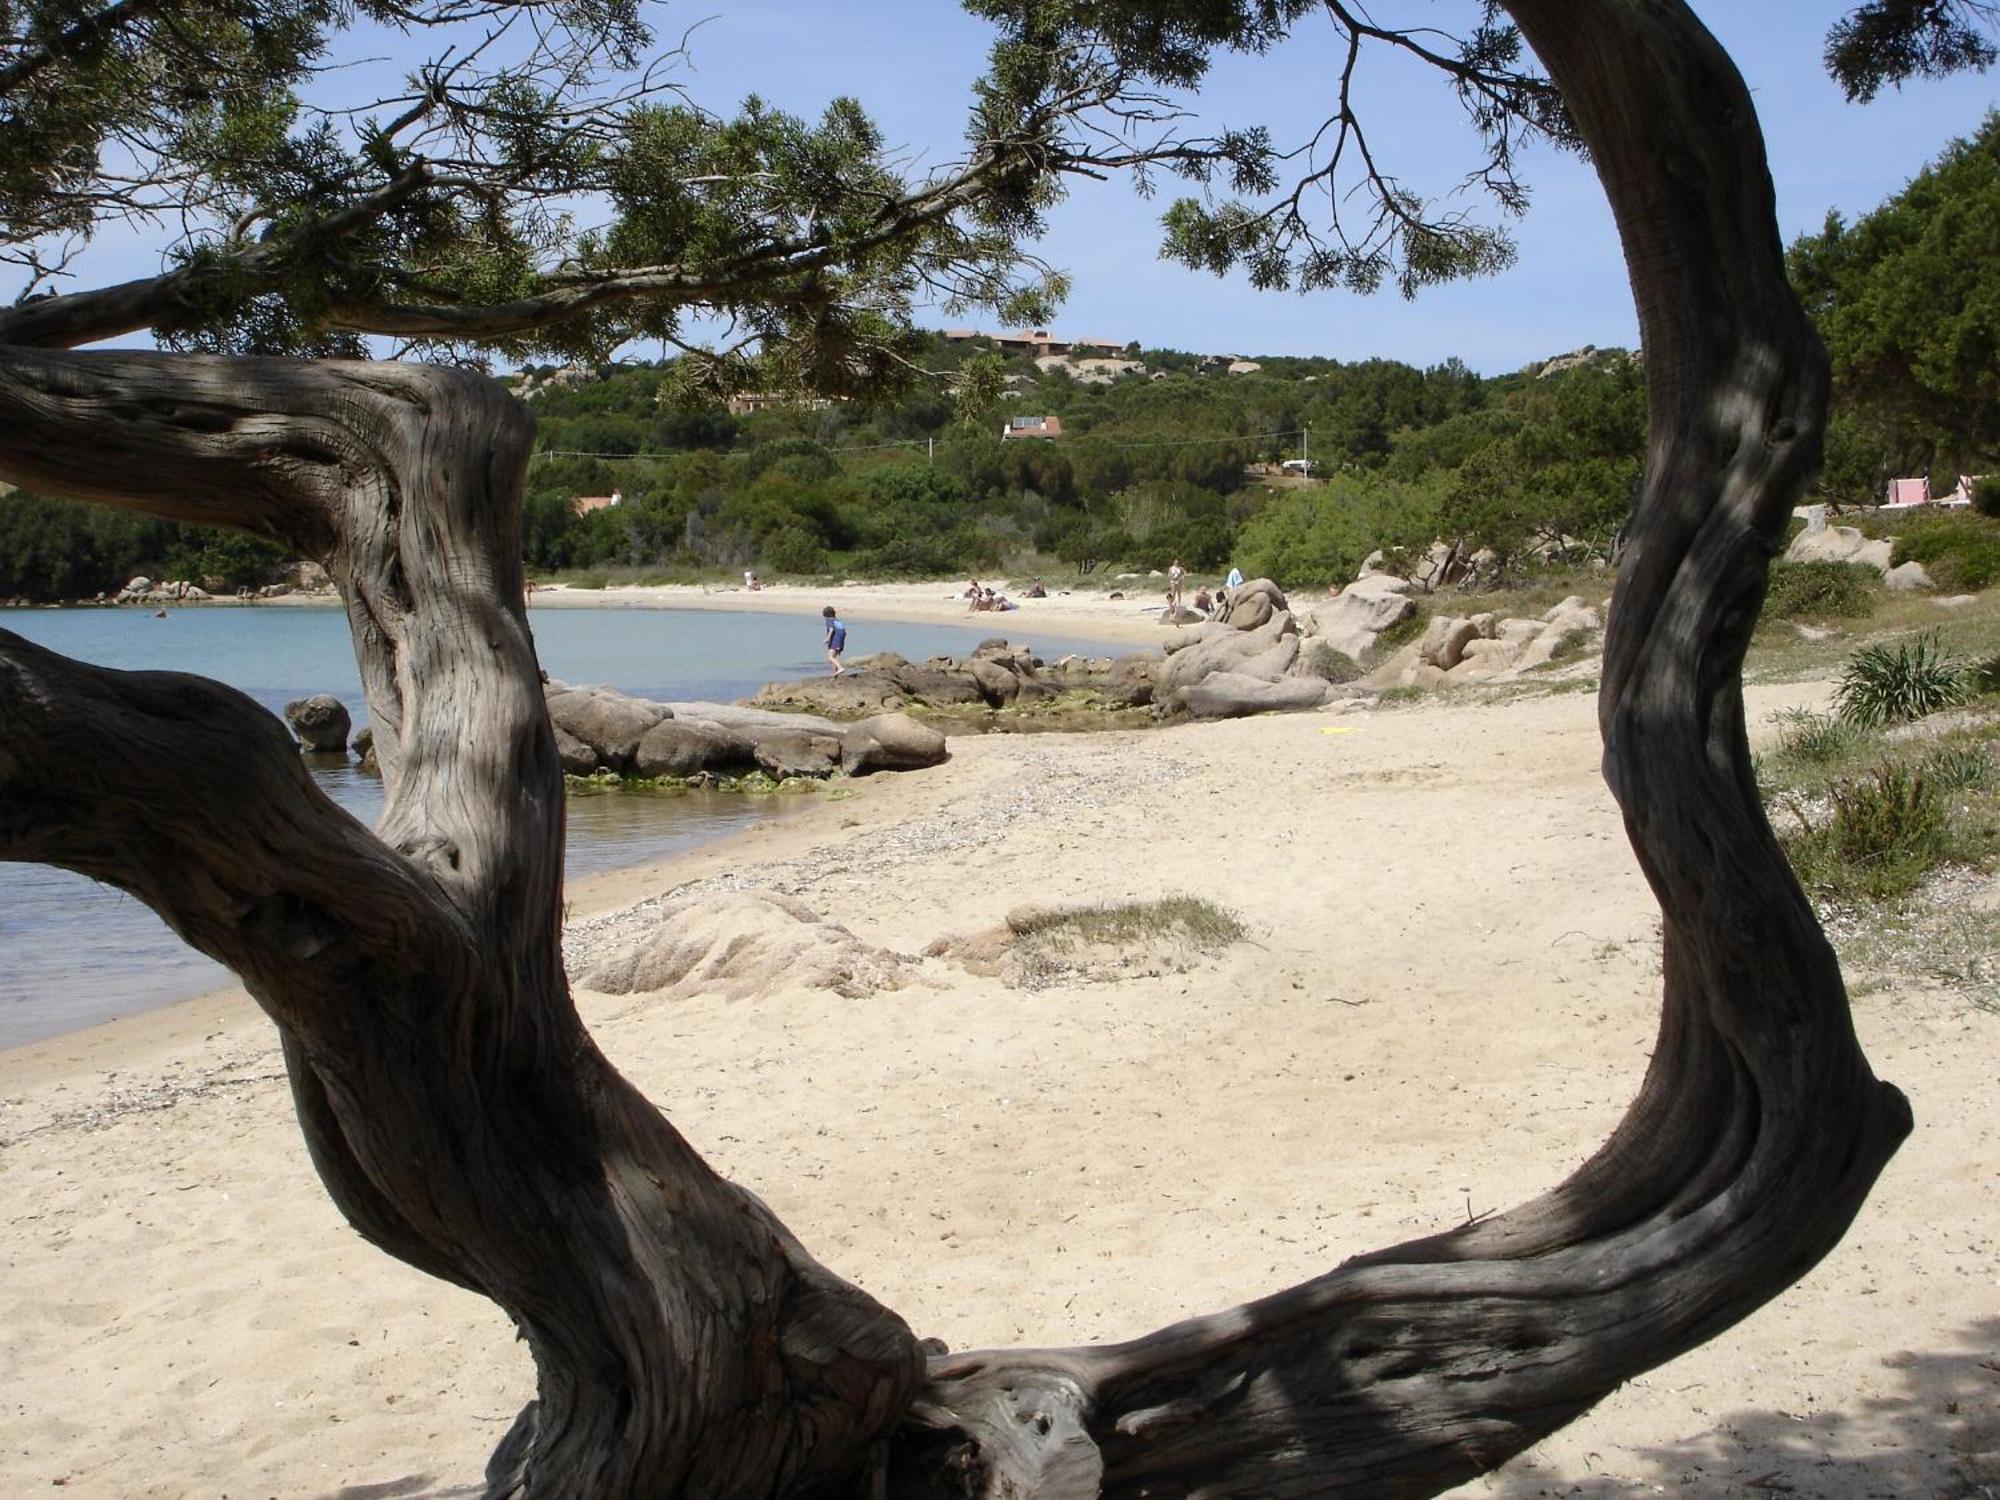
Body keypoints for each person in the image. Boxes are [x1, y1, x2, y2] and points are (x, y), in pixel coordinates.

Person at [822, 605, 847, 676]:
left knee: (830, 657)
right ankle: (835, 675)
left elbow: (831, 629)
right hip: (840, 639)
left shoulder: (829, 620)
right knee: (834, 657)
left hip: (835, 639)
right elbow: (844, 632)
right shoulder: (837, 620)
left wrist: (828, 638)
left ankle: (840, 668)